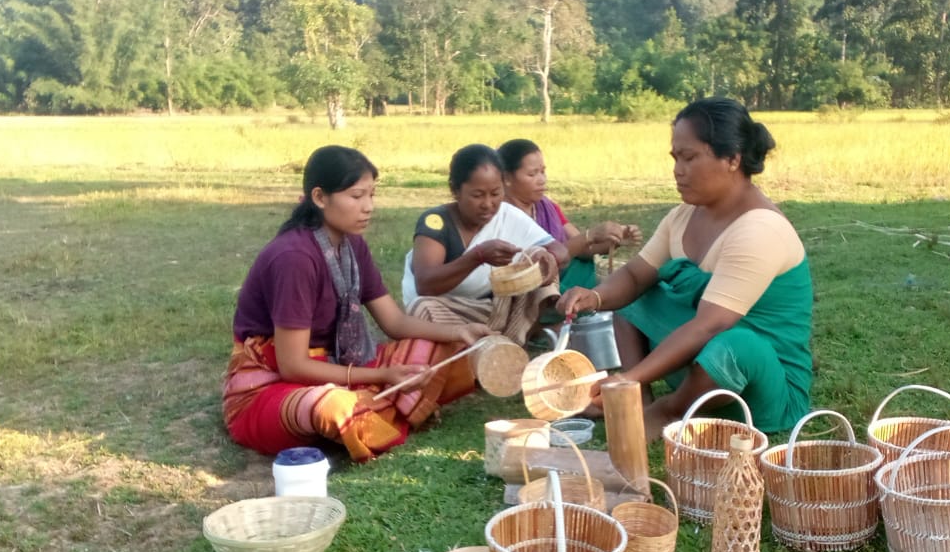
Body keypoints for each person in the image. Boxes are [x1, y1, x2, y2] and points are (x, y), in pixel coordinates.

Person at [556, 97, 813, 441]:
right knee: (633, 299)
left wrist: (632, 375)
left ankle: (670, 410)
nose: (678, 170)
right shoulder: (683, 215)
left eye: (690, 157)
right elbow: (634, 276)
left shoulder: (759, 229)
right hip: (703, 367)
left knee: (736, 344)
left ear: (732, 159)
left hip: (759, 386)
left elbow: (710, 326)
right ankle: (636, 402)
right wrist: (595, 297)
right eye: (675, 158)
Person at [223, 145, 493, 462]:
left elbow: (394, 322)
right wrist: (382, 377)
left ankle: (378, 407)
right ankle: (382, 409)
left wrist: (461, 332)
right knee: (334, 408)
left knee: (446, 354)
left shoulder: (353, 244)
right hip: (271, 386)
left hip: (339, 362)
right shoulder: (294, 258)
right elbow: (293, 365)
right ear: (320, 197)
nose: (367, 207)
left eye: (371, 195)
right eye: (356, 196)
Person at [402, 144, 570, 344]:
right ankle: (493, 343)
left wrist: (546, 259)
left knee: (539, 257)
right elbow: (425, 285)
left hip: (498, 310)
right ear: (455, 190)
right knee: (422, 309)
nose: (488, 204)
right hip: (453, 311)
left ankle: (511, 339)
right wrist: (477, 257)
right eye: (477, 195)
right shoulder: (436, 223)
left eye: (495, 193)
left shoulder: (507, 214)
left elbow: (560, 251)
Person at [497, 138, 642, 292]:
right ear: (507, 178)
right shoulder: (501, 217)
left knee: (626, 281)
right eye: (532, 174)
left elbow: (584, 250)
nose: (542, 180)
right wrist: (589, 235)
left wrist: (617, 238)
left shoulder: (547, 207)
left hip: (568, 274)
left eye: (543, 172)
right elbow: (537, 267)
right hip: (537, 287)